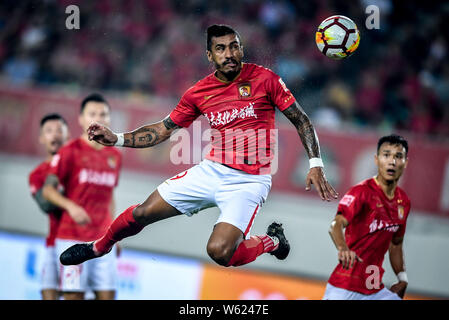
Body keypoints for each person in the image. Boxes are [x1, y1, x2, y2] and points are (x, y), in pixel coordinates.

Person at [60, 24, 337, 271]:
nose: (229, 54)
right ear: (210, 56)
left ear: (241, 49)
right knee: (143, 212)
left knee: (220, 252)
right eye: (220, 49)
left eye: (234, 47)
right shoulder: (198, 93)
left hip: (248, 181)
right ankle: (99, 247)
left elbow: (301, 119)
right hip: (211, 171)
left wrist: (316, 164)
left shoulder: (266, 80)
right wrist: (117, 138)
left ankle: (272, 241)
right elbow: (162, 130)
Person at [42, 93, 122, 300]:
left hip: (103, 240)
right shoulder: (69, 151)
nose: (98, 118)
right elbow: (48, 190)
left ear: (109, 119)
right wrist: (71, 206)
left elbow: (109, 194)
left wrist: (114, 233)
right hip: (72, 238)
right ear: (81, 119)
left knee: (107, 297)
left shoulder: (115, 155)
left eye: (103, 114)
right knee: (73, 297)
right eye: (92, 113)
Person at [323, 134, 410, 300]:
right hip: (345, 286)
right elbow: (336, 224)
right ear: (376, 160)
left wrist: (402, 278)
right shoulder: (361, 192)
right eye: (386, 155)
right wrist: (343, 249)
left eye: (398, 156)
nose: (392, 161)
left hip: (374, 289)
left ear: (406, 162)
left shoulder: (403, 202)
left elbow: (396, 244)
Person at [29, 113, 69, 300]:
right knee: (48, 294)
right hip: (54, 244)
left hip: (80, 242)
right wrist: (62, 187)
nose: (55, 135)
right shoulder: (37, 174)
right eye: (49, 131)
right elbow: (45, 205)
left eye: (59, 130)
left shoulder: (79, 164)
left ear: (67, 136)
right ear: (41, 138)